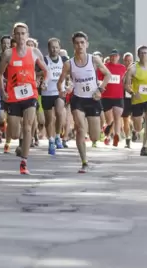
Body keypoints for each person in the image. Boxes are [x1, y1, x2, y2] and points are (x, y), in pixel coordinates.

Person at [0, 22, 48, 175]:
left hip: (30, 94)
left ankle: (24, 162)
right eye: (17, 33)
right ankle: (20, 144)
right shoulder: (8, 54)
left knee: (27, 127)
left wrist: (44, 81)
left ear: (27, 35)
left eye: (23, 33)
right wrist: (2, 92)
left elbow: (46, 70)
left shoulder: (34, 52)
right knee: (13, 133)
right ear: (14, 36)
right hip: (13, 96)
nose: (20, 36)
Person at [58, 31, 111, 173]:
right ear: (73, 45)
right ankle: (84, 162)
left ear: (87, 44)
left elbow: (107, 74)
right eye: (77, 43)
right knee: (81, 129)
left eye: (82, 43)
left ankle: (96, 135)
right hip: (78, 100)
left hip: (93, 99)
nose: (80, 45)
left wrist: (100, 89)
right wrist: (62, 90)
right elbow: (61, 81)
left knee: (94, 136)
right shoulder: (69, 64)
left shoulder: (94, 60)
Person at [98, 49, 126, 147]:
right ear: (109, 57)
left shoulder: (122, 68)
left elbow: (125, 80)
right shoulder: (104, 67)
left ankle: (116, 136)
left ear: (119, 57)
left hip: (118, 96)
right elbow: (99, 79)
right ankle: (107, 128)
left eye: (116, 56)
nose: (114, 57)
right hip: (106, 96)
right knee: (109, 120)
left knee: (117, 116)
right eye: (112, 56)